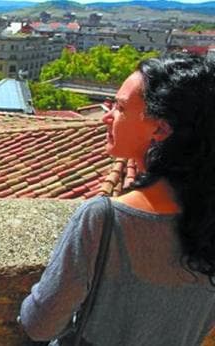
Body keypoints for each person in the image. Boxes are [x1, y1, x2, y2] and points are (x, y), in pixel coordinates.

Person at [20, 54, 215, 345]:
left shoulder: (104, 220)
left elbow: (39, 324)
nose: (106, 116)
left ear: (160, 129)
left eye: (121, 108)